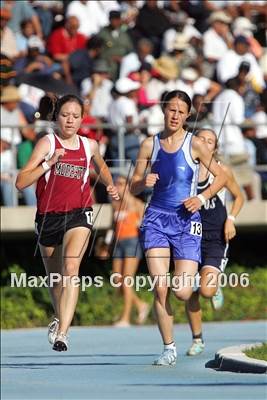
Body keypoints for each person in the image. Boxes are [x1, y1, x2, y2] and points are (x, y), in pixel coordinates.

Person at [130, 90, 227, 366]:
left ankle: (196, 277)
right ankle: (169, 348)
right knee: (160, 287)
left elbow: (221, 177)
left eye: (181, 111)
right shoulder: (149, 145)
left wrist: (201, 197)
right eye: (171, 109)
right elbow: (134, 184)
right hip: (157, 220)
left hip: (186, 222)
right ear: (164, 111)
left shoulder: (195, 144)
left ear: (187, 115)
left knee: (181, 291)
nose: (175, 115)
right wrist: (142, 183)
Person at [16, 94, 119, 352]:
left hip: (79, 213)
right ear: (56, 117)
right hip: (48, 217)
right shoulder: (47, 144)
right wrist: (48, 164)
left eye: (75, 116)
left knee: (71, 267)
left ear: (82, 119)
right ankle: (59, 316)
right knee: (55, 277)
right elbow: (21, 181)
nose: (70, 120)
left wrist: (111, 185)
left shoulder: (89, 145)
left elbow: (101, 168)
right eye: (65, 115)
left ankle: (63, 333)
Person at [185, 128, 244, 356]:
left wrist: (231, 219)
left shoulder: (222, 171)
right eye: (202, 139)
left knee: (206, 291)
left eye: (211, 141)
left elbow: (239, 197)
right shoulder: (186, 169)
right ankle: (197, 338)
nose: (206, 144)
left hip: (215, 238)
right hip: (189, 236)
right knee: (188, 290)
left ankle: (214, 285)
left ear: (215, 148)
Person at [111, 175, 150, 327]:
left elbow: (142, 225)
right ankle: (140, 305)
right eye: (116, 184)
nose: (118, 187)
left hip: (132, 242)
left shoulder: (136, 203)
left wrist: (128, 196)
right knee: (117, 280)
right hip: (118, 243)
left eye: (121, 184)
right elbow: (112, 227)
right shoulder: (115, 204)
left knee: (127, 281)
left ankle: (125, 318)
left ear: (127, 186)